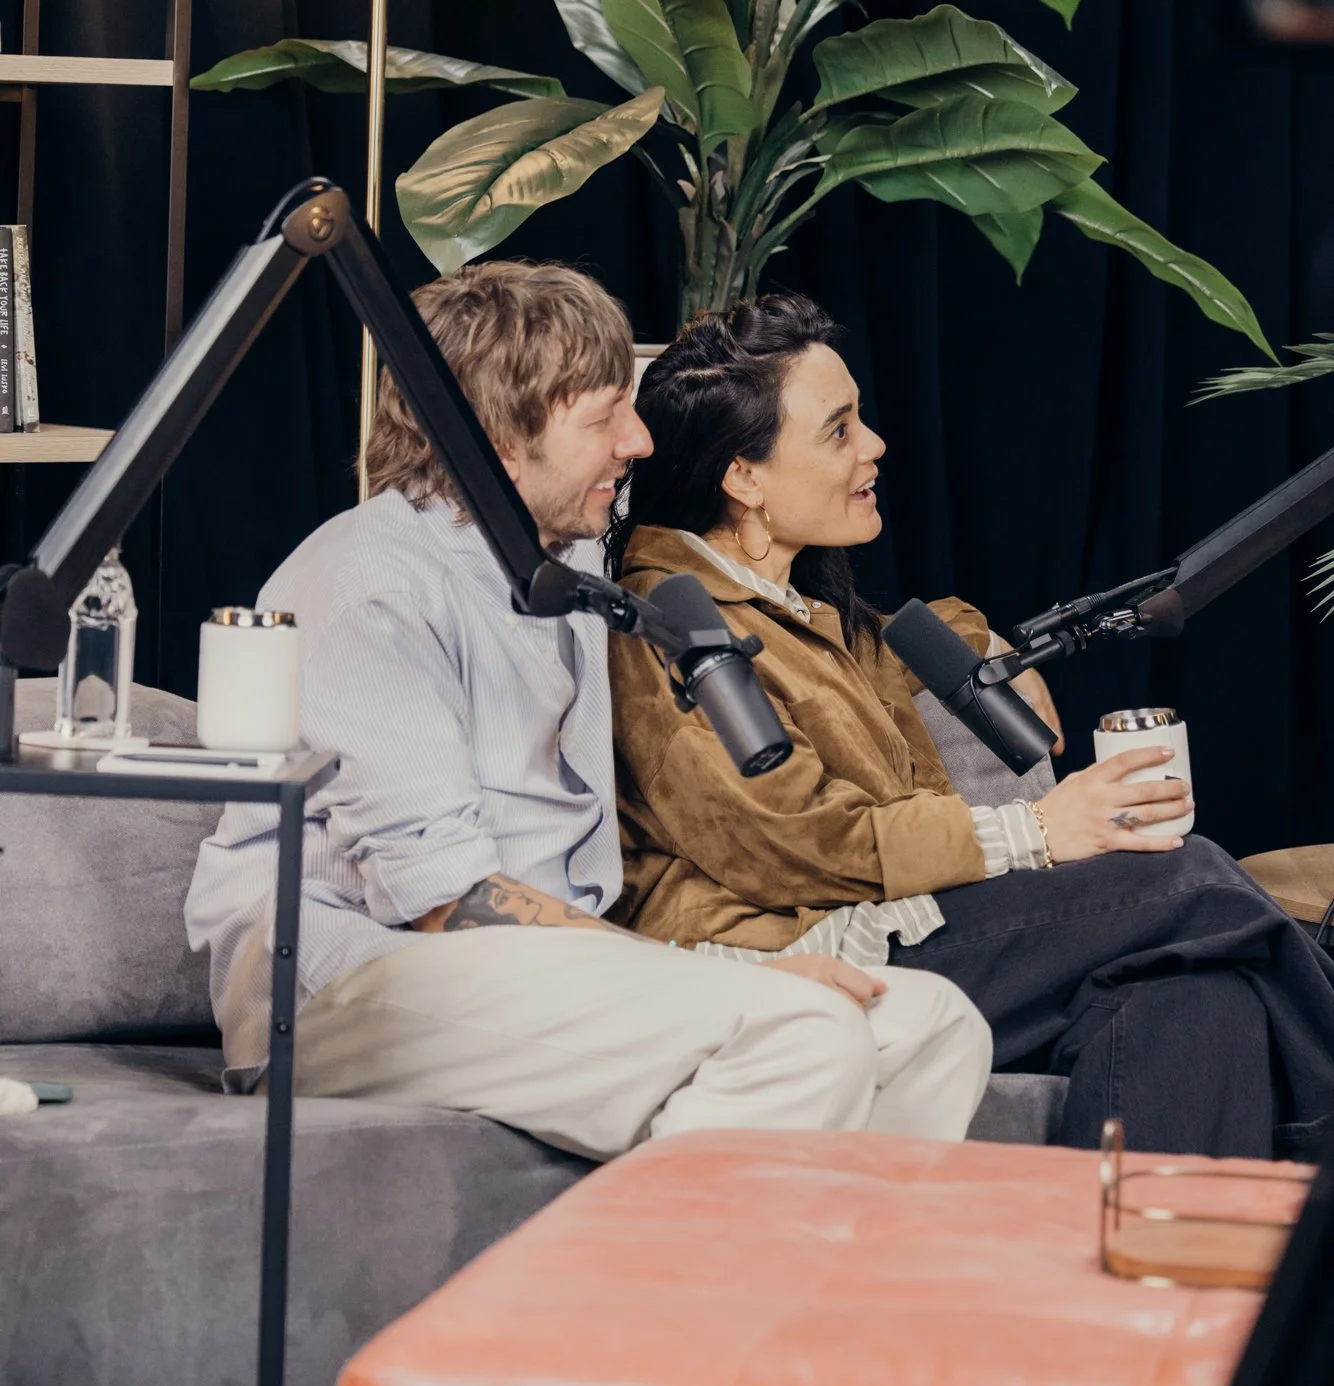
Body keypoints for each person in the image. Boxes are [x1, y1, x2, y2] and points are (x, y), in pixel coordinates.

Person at [185, 262, 993, 1158]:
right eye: (606, 416)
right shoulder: (372, 585)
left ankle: (785, 1254)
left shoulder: (566, 571)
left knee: (933, 1025)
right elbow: (446, 902)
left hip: (541, 974)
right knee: (801, 1030)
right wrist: (709, 978)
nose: (638, 442)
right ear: (501, 439)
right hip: (356, 990)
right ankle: (640, 1254)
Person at [605, 291, 1334, 1160]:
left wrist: (989, 645)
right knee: (1189, 877)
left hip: (904, 929)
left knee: (1197, 995)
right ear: (744, 478)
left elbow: (899, 641)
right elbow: (791, 840)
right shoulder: (671, 625)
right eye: (839, 430)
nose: (875, 445)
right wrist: (1037, 830)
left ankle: (1138, 1254)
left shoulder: (798, 609)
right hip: (799, 954)